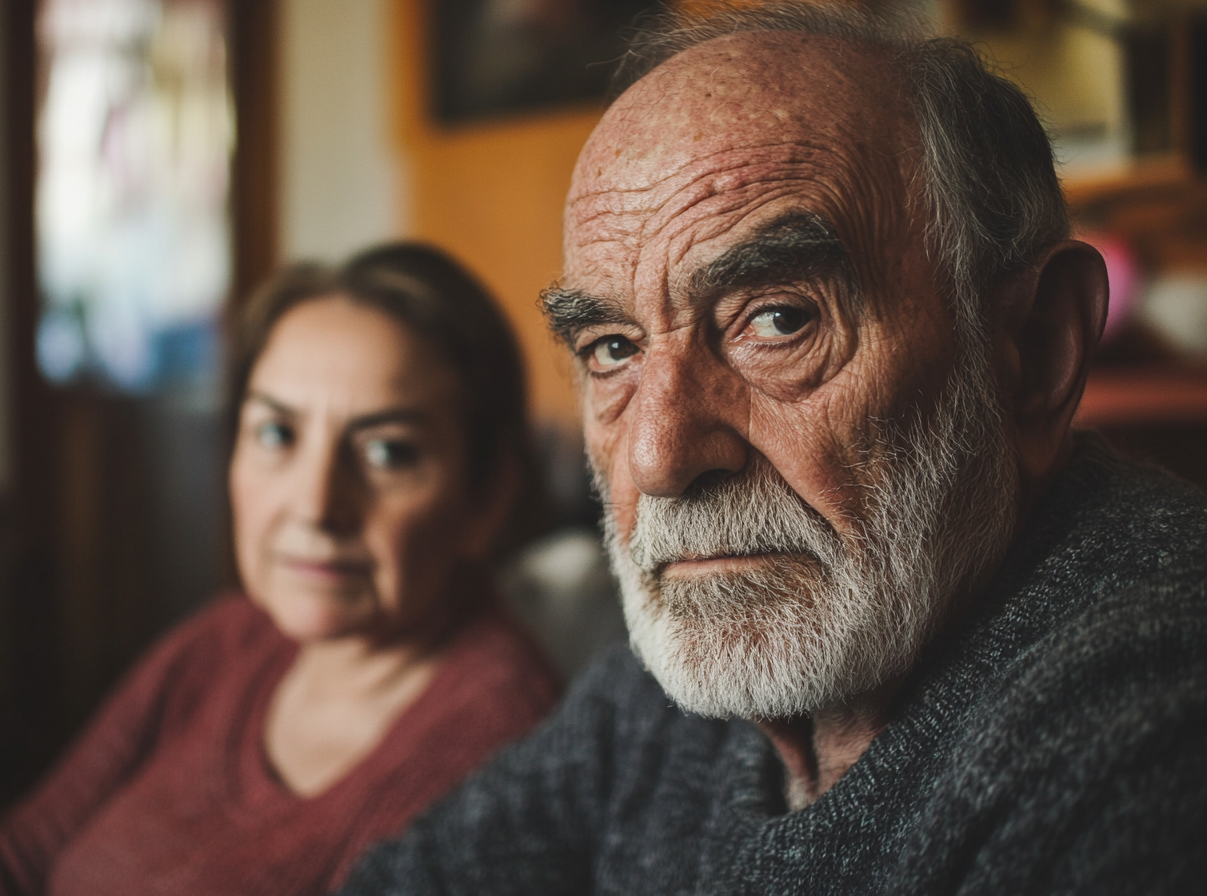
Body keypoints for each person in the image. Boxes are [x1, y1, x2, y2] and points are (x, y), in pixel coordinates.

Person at [337, 5, 1207, 894]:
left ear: (1035, 351)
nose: (660, 456)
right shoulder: (687, 669)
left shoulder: (1152, 729)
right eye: (613, 348)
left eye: (777, 320)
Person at [0, 243, 560, 896]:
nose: (317, 506)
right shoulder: (228, 641)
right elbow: (12, 864)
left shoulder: (505, 762)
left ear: (488, 496)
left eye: (387, 452)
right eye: (276, 435)